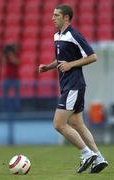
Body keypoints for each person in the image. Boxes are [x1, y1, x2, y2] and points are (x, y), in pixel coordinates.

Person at [39, 4, 108, 173]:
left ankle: (86, 154)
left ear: (66, 18)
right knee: (77, 123)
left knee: (58, 124)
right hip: (67, 85)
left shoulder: (73, 34)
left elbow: (93, 56)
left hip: (73, 85)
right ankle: (99, 158)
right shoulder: (57, 36)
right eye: (53, 15)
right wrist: (48, 67)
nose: (52, 18)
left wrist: (71, 65)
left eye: (56, 15)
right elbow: (61, 60)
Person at [0, 43, 20, 112]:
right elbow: (3, 63)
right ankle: (4, 108)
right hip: (7, 78)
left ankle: (17, 109)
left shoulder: (16, 55)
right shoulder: (6, 56)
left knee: (16, 95)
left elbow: (16, 61)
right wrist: (4, 54)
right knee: (5, 95)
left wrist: (10, 54)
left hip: (15, 78)